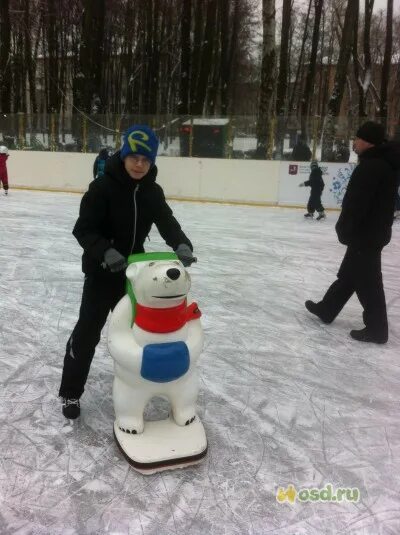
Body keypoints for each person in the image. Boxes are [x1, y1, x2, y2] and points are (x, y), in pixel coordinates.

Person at [59, 125, 196, 419]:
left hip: (134, 277)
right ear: (123, 155)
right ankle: (70, 392)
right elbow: (83, 229)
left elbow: (167, 221)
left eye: (146, 160)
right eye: (133, 157)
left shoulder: (152, 191)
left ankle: (136, 386)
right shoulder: (102, 188)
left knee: (141, 334)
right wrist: (105, 251)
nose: (139, 164)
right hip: (101, 274)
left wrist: (182, 244)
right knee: (87, 334)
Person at [305, 121, 400, 344]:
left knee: (369, 282)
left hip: (366, 234)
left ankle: (377, 329)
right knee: (350, 274)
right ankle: (328, 308)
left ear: (367, 141)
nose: (354, 142)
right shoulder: (382, 164)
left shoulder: (371, 167)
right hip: (373, 232)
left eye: (357, 138)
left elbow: (357, 204)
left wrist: (345, 228)